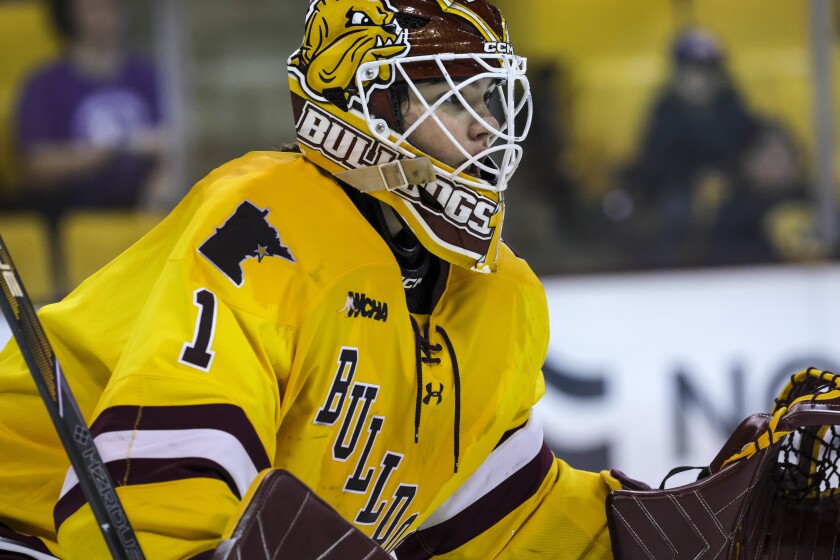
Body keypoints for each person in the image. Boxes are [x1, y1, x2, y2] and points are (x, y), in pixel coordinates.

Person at [0, 1, 618, 558]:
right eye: (454, 98)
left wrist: (612, 538)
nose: (486, 125)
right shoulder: (264, 223)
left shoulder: (499, 293)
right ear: (372, 110)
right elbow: (157, 496)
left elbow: (500, 523)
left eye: (489, 98)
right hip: (29, 526)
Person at [13, 0, 168, 225]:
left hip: (146, 208)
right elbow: (35, 165)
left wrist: (164, 171)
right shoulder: (43, 85)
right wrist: (116, 149)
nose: (107, 7)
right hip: (71, 213)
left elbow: (180, 142)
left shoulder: (151, 75)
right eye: (94, 6)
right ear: (69, 12)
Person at [621, 27, 760, 268]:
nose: (699, 81)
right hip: (676, 215)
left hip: (734, 218)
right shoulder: (664, 114)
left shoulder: (735, 110)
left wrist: (726, 179)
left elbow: (751, 158)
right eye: (691, 72)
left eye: (707, 72)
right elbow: (652, 169)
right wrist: (693, 183)